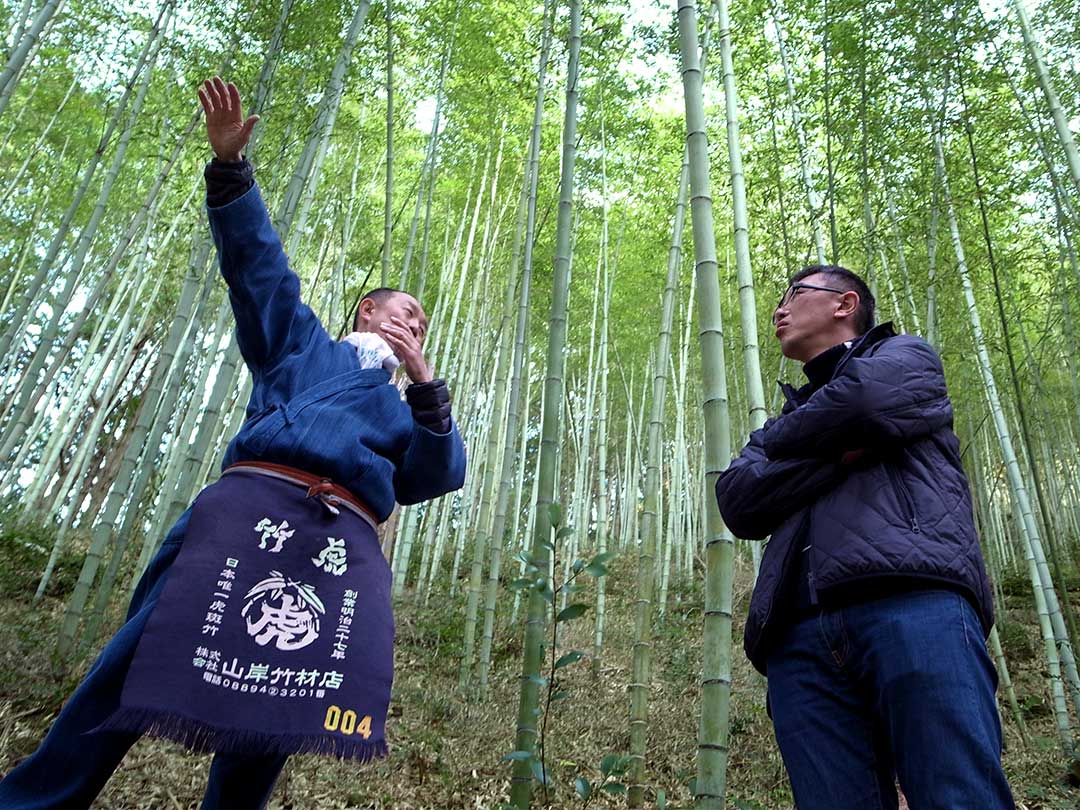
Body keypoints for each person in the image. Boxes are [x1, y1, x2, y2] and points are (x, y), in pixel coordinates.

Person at [0, 77, 466, 810]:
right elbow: (260, 269)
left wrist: (425, 384)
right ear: (367, 309)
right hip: (249, 507)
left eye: (425, 326)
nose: (415, 325)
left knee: (280, 696)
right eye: (406, 312)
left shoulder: (405, 404)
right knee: (142, 655)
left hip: (334, 538)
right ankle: (33, 802)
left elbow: (436, 476)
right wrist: (230, 170)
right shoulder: (302, 344)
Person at [715, 265, 1014, 809]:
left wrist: (785, 449)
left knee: (957, 796)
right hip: (796, 633)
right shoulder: (790, 413)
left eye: (795, 294)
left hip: (912, 598)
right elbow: (738, 500)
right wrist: (842, 446)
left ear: (844, 304)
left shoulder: (905, 357)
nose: (778, 309)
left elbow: (866, 402)